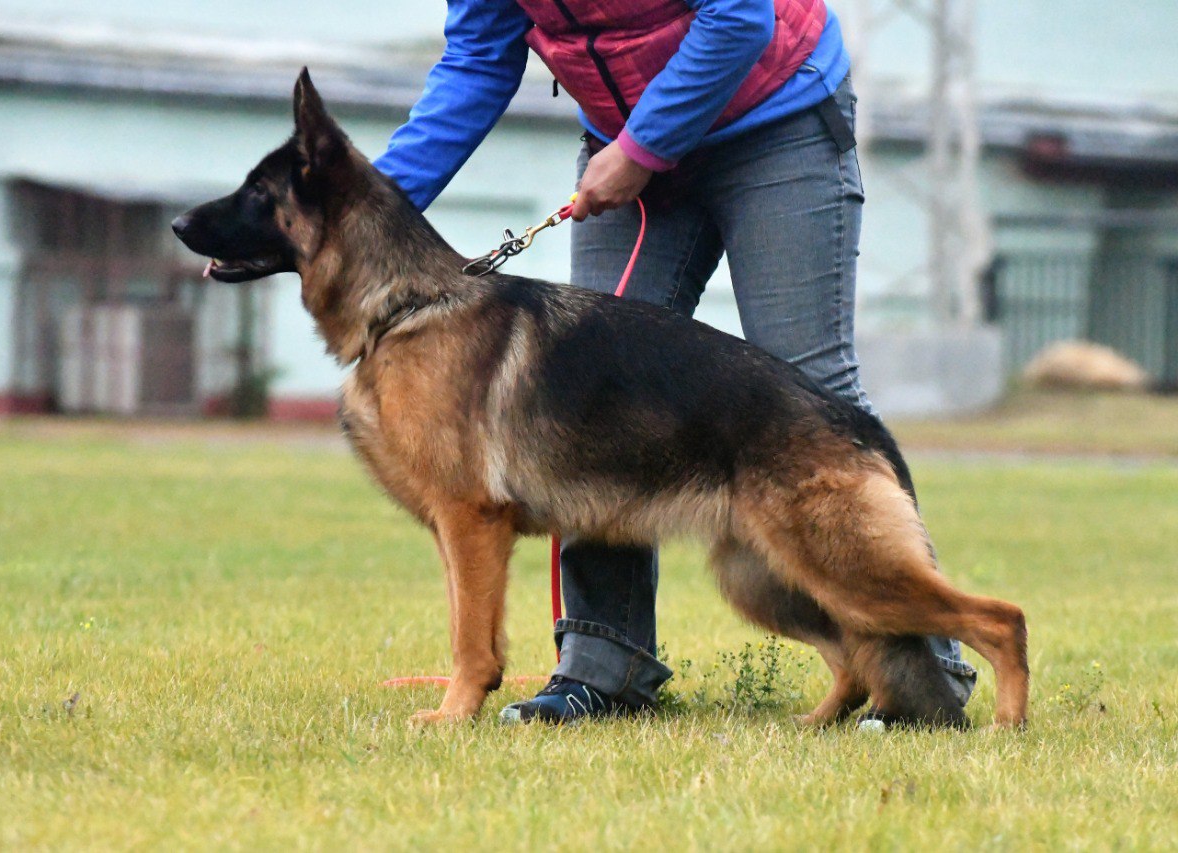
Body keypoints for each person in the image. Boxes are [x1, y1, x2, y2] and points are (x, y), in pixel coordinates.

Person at [375, 0, 978, 724]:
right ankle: (604, 667)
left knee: (813, 388)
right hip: (625, 140)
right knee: (580, 395)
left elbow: (739, 17)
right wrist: (364, 208)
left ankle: (924, 676)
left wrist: (643, 147)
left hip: (774, 121)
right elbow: (478, 58)